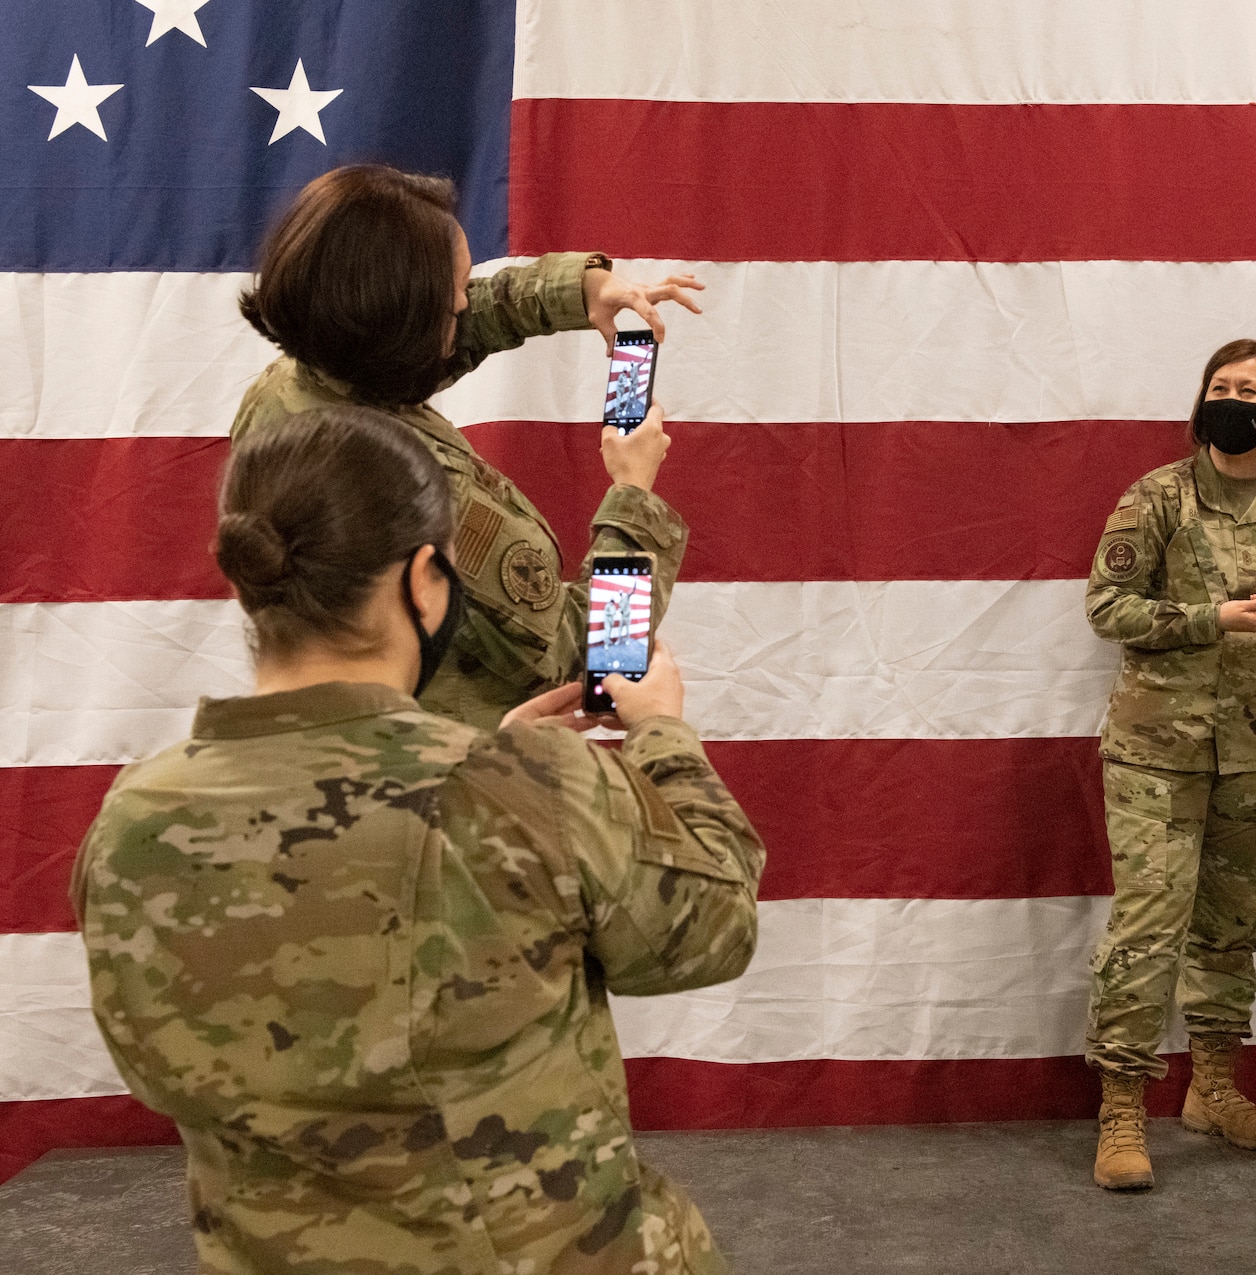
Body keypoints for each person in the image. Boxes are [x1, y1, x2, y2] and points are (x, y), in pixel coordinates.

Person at [72, 406, 766, 1273]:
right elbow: (714, 924)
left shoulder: (132, 819)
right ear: (427, 581)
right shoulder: (518, 793)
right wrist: (662, 733)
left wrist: (497, 765)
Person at [233, 163, 704, 729]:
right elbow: (590, 657)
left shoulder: (292, 385)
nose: (465, 305)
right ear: (404, 319)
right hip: (459, 786)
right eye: (454, 298)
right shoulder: (425, 497)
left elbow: (427, 338)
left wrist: (581, 290)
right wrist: (633, 492)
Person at [1082, 338, 1256, 1189]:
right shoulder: (1157, 496)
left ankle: (1215, 1085)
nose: (1231, 398)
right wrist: (1208, 619)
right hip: (1157, 750)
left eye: (1249, 390)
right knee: (1149, 924)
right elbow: (1107, 605)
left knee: (1230, 929)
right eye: (1219, 386)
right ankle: (1123, 1106)